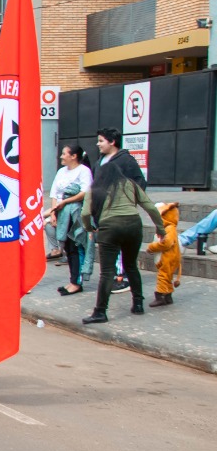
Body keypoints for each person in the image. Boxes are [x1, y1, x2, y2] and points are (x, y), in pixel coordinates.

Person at [80, 153, 164, 324]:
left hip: (109, 229)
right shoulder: (130, 184)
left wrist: (90, 228)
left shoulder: (94, 189)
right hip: (133, 226)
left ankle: (100, 312)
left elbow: (85, 213)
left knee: (107, 272)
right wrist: (160, 228)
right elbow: (150, 207)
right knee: (131, 266)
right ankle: (138, 304)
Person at [94, 128, 141, 293]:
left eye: (101, 141)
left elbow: (139, 182)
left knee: (121, 246)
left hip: (119, 214)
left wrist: (127, 200)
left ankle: (123, 278)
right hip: (102, 213)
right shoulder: (99, 162)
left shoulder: (126, 161)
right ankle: (113, 276)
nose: (98, 144)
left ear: (112, 142)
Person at [47, 144, 93, 296]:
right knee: (68, 247)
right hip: (62, 214)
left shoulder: (84, 171)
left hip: (76, 215)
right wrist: (53, 213)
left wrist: (66, 201)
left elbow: (85, 192)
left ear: (74, 156)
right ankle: (73, 279)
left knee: (76, 246)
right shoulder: (61, 171)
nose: (61, 156)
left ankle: (77, 282)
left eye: (64, 154)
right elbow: (54, 193)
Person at [146, 202, 181, 307]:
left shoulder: (169, 228)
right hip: (168, 257)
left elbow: (166, 243)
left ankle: (159, 296)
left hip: (168, 258)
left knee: (163, 276)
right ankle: (168, 296)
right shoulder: (167, 227)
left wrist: (152, 247)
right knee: (167, 277)